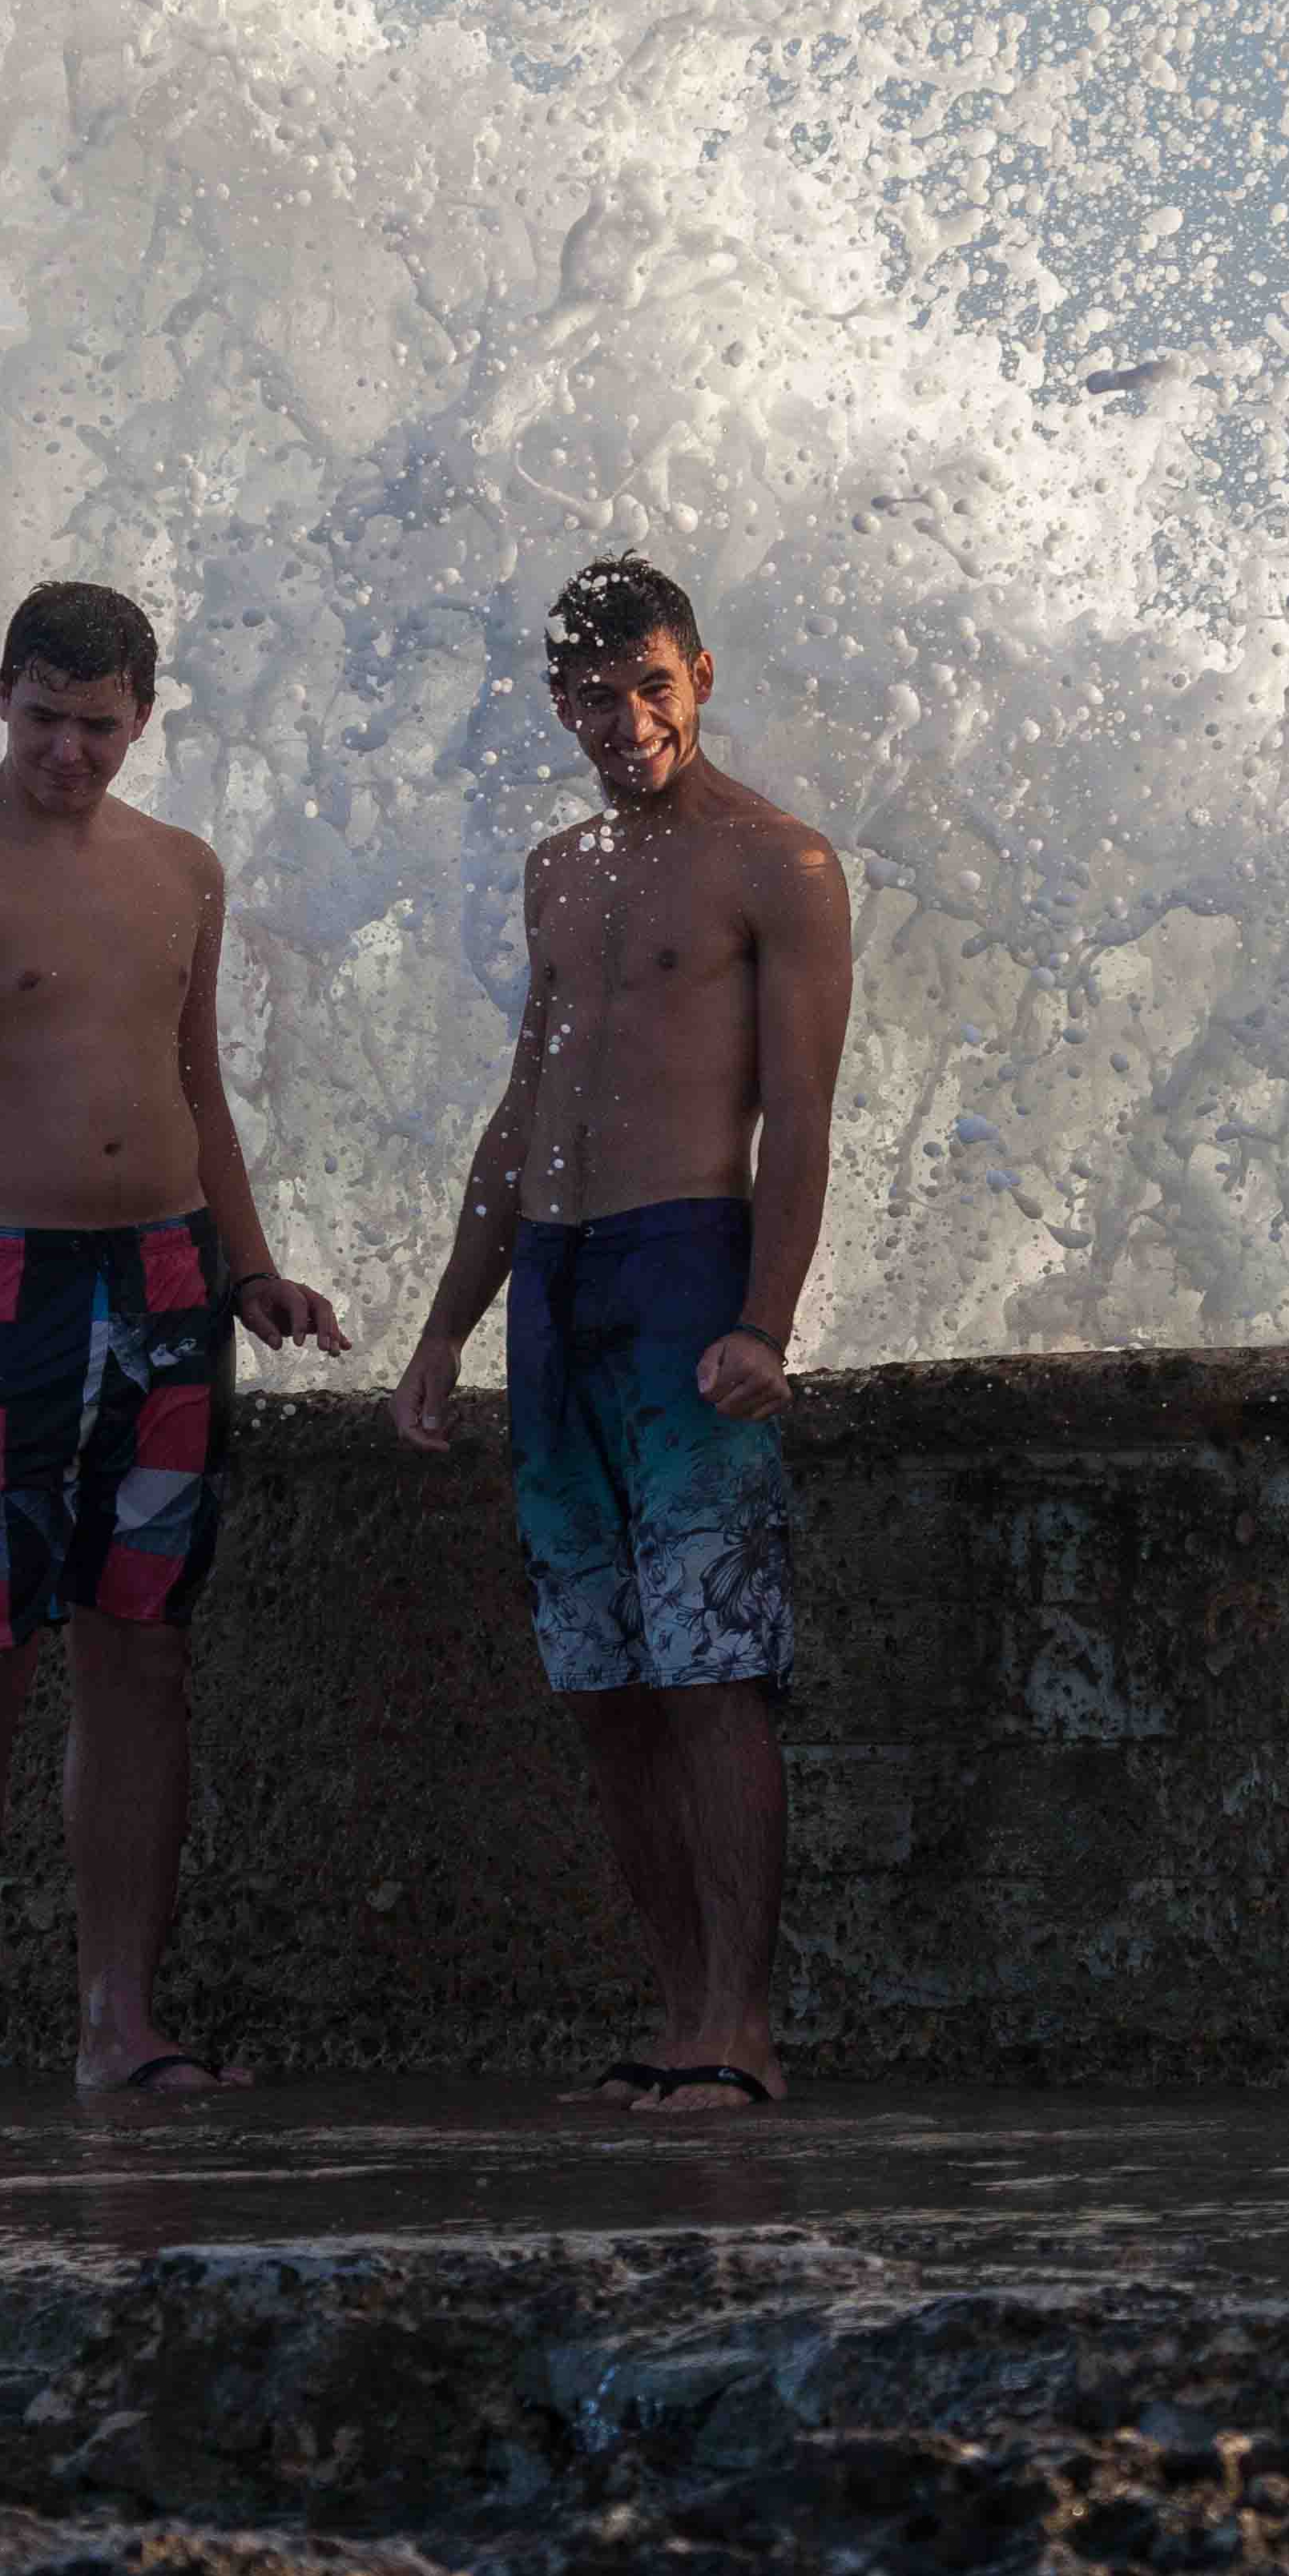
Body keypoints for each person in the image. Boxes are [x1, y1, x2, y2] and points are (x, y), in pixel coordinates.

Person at [0, 582, 349, 2106]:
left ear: (143, 719)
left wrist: (251, 1267)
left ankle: (121, 2026)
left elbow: (199, 1087)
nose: (70, 750)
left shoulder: (182, 871)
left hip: (168, 1283)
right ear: (2, 695)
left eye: (100, 727)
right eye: (45, 718)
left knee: (142, 1649)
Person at [390, 557, 855, 2114]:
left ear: (699, 676)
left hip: (682, 1271)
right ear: (558, 703)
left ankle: (741, 2028)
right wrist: (444, 1332)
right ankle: (675, 2018)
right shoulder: (560, 873)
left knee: (713, 1666)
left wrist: (765, 1320)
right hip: (554, 1284)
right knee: (602, 1680)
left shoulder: (779, 863)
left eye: (651, 685)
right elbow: (522, 1112)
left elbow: (801, 1116)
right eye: (595, 696)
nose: (628, 719)